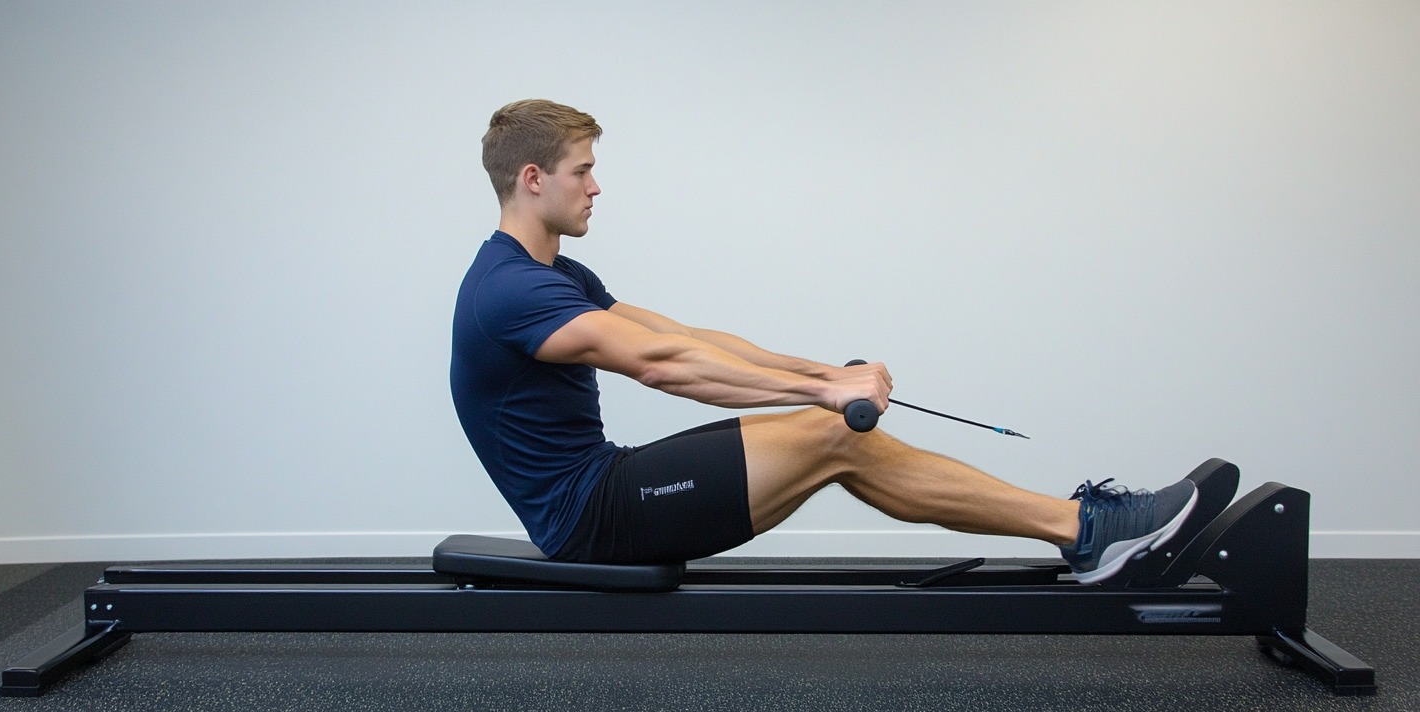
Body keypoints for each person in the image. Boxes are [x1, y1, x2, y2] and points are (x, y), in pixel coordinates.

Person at [451, 99, 1199, 584]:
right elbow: (660, 365)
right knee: (835, 436)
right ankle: (1083, 529)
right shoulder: (512, 291)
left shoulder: (555, 273)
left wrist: (822, 371)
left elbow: (680, 333)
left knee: (844, 439)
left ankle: (1080, 530)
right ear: (532, 178)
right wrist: (823, 393)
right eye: (583, 172)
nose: (596, 187)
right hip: (591, 518)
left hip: (603, 490)